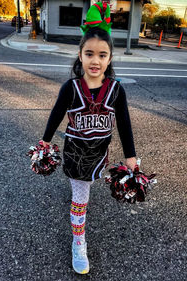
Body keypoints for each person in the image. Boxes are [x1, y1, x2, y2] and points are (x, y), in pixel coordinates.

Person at [42, 2, 136, 275]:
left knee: (85, 187)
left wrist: (130, 157)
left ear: (110, 59)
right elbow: (56, 115)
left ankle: (77, 201)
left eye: (102, 55)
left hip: (98, 155)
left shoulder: (117, 90)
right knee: (80, 198)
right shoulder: (70, 88)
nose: (96, 60)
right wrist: (45, 141)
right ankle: (78, 242)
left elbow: (125, 124)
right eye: (90, 53)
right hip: (75, 154)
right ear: (80, 55)